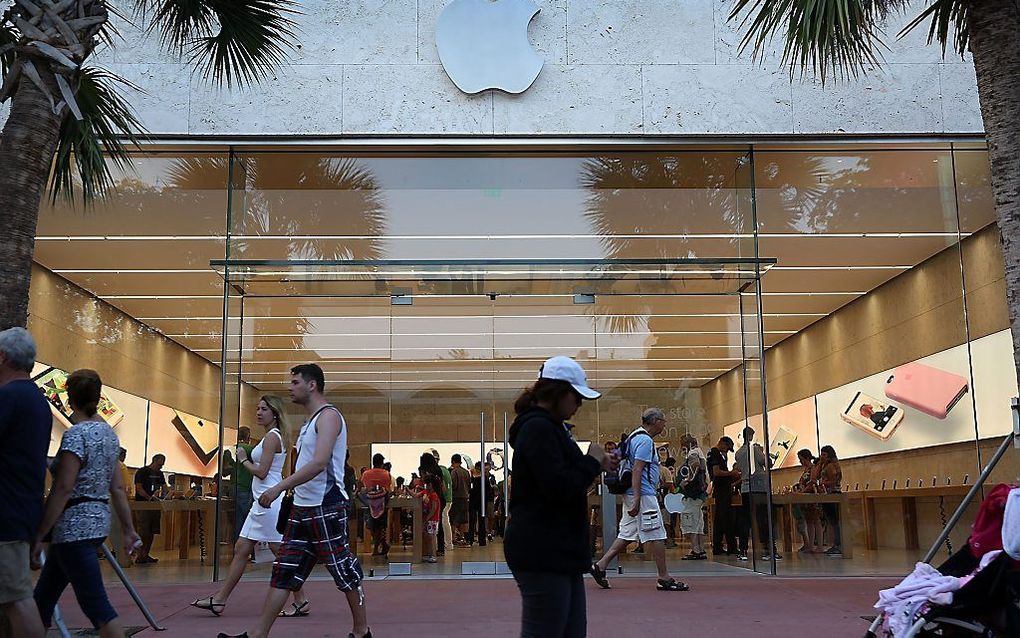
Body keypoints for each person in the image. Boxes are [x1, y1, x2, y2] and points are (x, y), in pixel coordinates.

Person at [218, 364, 369, 638]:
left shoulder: (329, 417)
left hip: (327, 507)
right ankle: (258, 633)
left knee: (343, 570)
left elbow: (320, 462)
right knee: (284, 570)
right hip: (302, 508)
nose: (290, 387)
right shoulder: (309, 422)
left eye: (295, 382)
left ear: (312, 385)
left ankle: (361, 631)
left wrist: (278, 488)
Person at [503, 356, 613, 637]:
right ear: (559, 393)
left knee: (569, 630)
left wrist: (593, 463)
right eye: (576, 398)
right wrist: (591, 462)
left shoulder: (548, 429)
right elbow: (559, 487)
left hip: (557, 549)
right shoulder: (539, 429)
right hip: (543, 548)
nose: (578, 405)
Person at [31, 369, 141, 638]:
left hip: (73, 528)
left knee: (96, 605)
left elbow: (64, 488)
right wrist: (128, 529)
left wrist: (40, 533)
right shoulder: (108, 435)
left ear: (70, 400)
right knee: (42, 600)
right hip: (97, 523)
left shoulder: (75, 436)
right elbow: (116, 487)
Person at [191, 395, 309, 618]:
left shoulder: (272, 438)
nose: (258, 412)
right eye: (258, 408)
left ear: (274, 413)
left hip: (267, 502)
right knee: (242, 549)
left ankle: (301, 599)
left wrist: (243, 460)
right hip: (262, 502)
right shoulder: (273, 437)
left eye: (264, 409)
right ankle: (220, 599)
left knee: (278, 552)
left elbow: (262, 472)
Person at [591, 407, 689, 592]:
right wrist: (637, 499)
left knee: (628, 533)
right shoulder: (644, 440)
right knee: (658, 534)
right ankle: (664, 578)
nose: (664, 424)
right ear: (654, 421)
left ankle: (601, 566)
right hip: (643, 495)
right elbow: (637, 469)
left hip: (634, 493)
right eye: (663, 420)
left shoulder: (635, 436)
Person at [0, 328, 52, 638]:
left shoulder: (9, 397)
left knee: (17, 598)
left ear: (3, 356)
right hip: (21, 509)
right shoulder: (36, 399)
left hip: (5, 513)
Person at [734, 426, 781, 561]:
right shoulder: (755, 449)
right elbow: (768, 463)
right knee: (764, 519)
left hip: (745, 488)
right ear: (751, 436)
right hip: (759, 488)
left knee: (745, 519)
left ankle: (743, 550)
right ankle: (769, 550)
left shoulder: (738, 453)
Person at [707, 435, 740, 557]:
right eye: (726, 448)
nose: (726, 451)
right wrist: (731, 473)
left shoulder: (714, 453)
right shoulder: (715, 453)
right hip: (722, 490)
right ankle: (731, 546)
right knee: (726, 518)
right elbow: (716, 472)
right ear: (722, 443)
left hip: (721, 489)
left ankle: (718, 546)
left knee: (720, 519)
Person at [677, 434, 709, 560]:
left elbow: (695, 466)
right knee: (698, 523)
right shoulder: (700, 453)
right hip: (699, 495)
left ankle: (695, 550)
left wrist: (687, 480)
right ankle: (700, 549)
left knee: (691, 522)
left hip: (692, 495)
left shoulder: (692, 454)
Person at [133, 453, 167, 564]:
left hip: (155, 505)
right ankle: (139, 555)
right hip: (143, 505)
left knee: (152, 530)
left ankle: (146, 554)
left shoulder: (160, 474)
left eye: (162, 465)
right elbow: (139, 488)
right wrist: (149, 498)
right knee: (143, 531)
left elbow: (164, 487)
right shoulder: (142, 472)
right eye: (159, 464)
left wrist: (167, 494)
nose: (160, 467)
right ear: (154, 461)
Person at [360, 453, 392, 557]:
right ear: (382, 463)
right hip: (381, 503)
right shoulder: (386, 474)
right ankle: (380, 546)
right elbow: (387, 489)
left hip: (369, 503)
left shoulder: (365, 474)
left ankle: (379, 547)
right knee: (380, 526)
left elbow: (362, 487)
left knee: (372, 526)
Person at [414, 452, 444, 563]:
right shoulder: (438, 471)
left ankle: (431, 553)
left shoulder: (432, 493)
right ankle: (436, 550)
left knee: (431, 534)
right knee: (435, 531)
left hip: (432, 510)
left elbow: (433, 508)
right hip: (438, 502)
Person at [793, 449, 824, 554]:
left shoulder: (813, 469)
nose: (800, 461)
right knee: (810, 522)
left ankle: (819, 546)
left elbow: (812, 483)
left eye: (801, 459)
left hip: (812, 498)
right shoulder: (806, 470)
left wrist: (803, 492)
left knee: (816, 521)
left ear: (806, 458)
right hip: (805, 498)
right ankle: (810, 545)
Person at [818, 445, 843, 556]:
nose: (822, 456)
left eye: (824, 455)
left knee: (834, 521)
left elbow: (833, 481)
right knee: (832, 521)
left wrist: (823, 483)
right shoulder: (826, 465)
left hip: (832, 493)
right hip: (829, 493)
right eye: (821, 454)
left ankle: (838, 544)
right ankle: (836, 544)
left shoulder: (830, 466)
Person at [233, 426, 255, 541]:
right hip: (245, 487)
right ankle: (250, 550)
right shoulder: (249, 449)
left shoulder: (234, 448)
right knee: (248, 519)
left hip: (236, 486)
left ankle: (239, 547)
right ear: (248, 436)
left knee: (239, 520)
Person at [433, 449, 453, 555]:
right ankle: (447, 543)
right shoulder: (445, 470)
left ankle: (448, 543)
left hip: (443, 499)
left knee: (444, 521)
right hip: (448, 499)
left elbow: (443, 488)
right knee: (445, 520)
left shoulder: (439, 471)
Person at [449, 454, 470, 546]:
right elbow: (469, 485)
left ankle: (453, 538)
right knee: (464, 519)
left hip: (456, 497)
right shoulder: (466, 472)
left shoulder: (454, 472)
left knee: (455, 519)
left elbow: (454, 485)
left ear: (453, 461)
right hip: (465, 497)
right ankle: (463, 538)